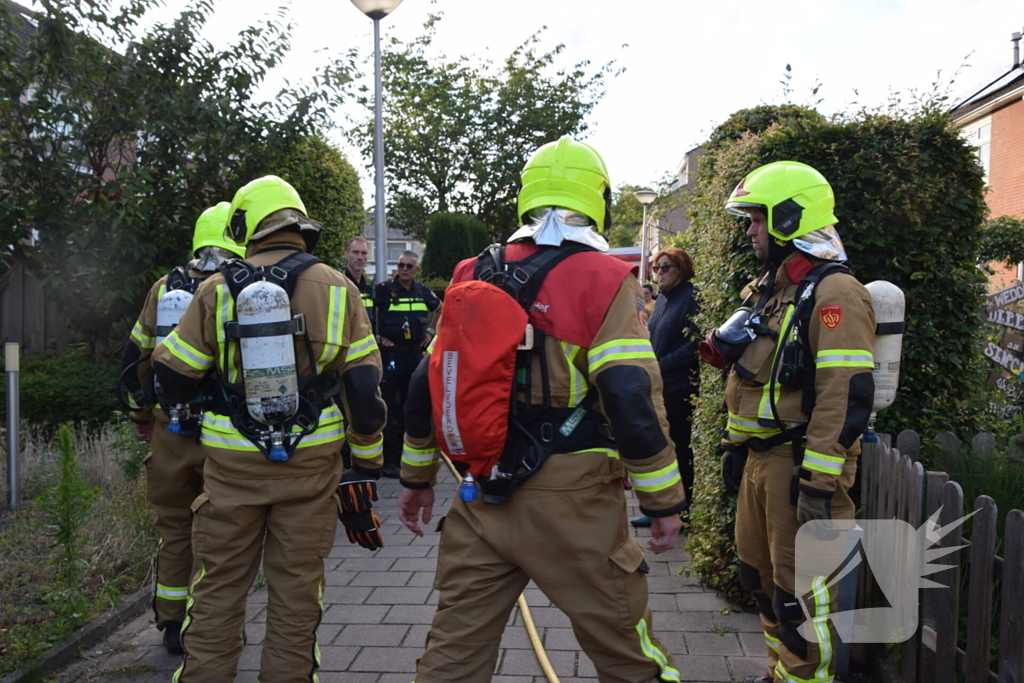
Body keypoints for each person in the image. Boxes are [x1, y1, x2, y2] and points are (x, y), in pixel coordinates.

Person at [398, 136, 687, 683]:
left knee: (452, 659)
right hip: (572, 504)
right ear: (596, 199)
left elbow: (424, 384)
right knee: (629, 656)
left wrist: (415, 479)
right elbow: (629, 396)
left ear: (527, 198)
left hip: (479, 495)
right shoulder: (603, 280)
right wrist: (663, 500)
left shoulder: (471, 273)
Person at [152, 175, 387, 683]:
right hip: (310, 471)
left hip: (231, 473)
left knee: (216, 590)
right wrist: (365, 463)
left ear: (246, 226)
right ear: (299, 224)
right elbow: (365, 395)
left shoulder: (217, 288)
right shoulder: (338, 286)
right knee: (298, 592)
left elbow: (169, 376)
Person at [699, 161, 875, 683]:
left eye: (757, 219)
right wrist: (734, 445)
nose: (750, 230)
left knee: (800, 593)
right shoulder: (775, 291)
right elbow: (756, 381)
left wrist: (819, 481)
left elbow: (844, 396)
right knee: (758, 577)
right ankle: (779, 673)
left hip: (798, 467)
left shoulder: (836, 294)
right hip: (761, 461)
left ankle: (804, 678)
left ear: (789, 219)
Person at [118, 202, 245, 654]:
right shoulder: (238, 287)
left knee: (173, 529)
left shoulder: (163, 288)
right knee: (219, 532)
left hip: (170, 428)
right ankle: (212, 626)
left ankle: (172, 624)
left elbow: (136, 360)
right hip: (223, 434)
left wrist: (140, 417)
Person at [631, 247, 700, 529]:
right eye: (656, 268)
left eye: (666, 267)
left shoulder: (692, 297)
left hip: (679, 387)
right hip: (659, 386)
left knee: (678, 449)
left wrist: (659, 366)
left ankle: (682, 511)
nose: (660, 273)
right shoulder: (661, 301)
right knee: (662, 447)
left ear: (681, 268)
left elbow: (693, 347)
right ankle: (663, 507)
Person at [374, 249, 441, 478]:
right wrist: (377, 336)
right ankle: (387, 459)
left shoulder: (423, 291)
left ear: (417, 270)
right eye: (401, 265)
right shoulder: (384, 290)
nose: (403, 269)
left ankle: (406, 456)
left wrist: (431, 331)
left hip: (415, 355)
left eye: (408, 266)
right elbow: (367, 314)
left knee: (410, 407)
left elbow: (442, 308)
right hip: (392, 356)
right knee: (388, 407)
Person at [341, 235, 375, 469]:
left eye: (363, 253)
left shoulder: (372, 288)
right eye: (355, 253)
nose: (360, 257)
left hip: (366, 360)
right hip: (343, 361)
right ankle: (345, 462)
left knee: (365, 413)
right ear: (345, 255)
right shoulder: (338, 282)